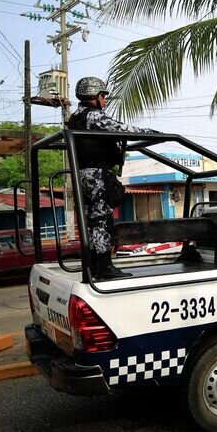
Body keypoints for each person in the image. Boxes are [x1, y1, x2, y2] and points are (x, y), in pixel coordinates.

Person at [68, 76, 158, 280]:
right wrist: (152, 133)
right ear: (95, 96)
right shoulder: (93, 116)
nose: (105, 100)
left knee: (91, 221)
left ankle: (92, 264)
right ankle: (104, 267)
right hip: (97, 175)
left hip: (83, 175)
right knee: (101, 220)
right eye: (103, 96)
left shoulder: (75, 117)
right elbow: (121, 128)